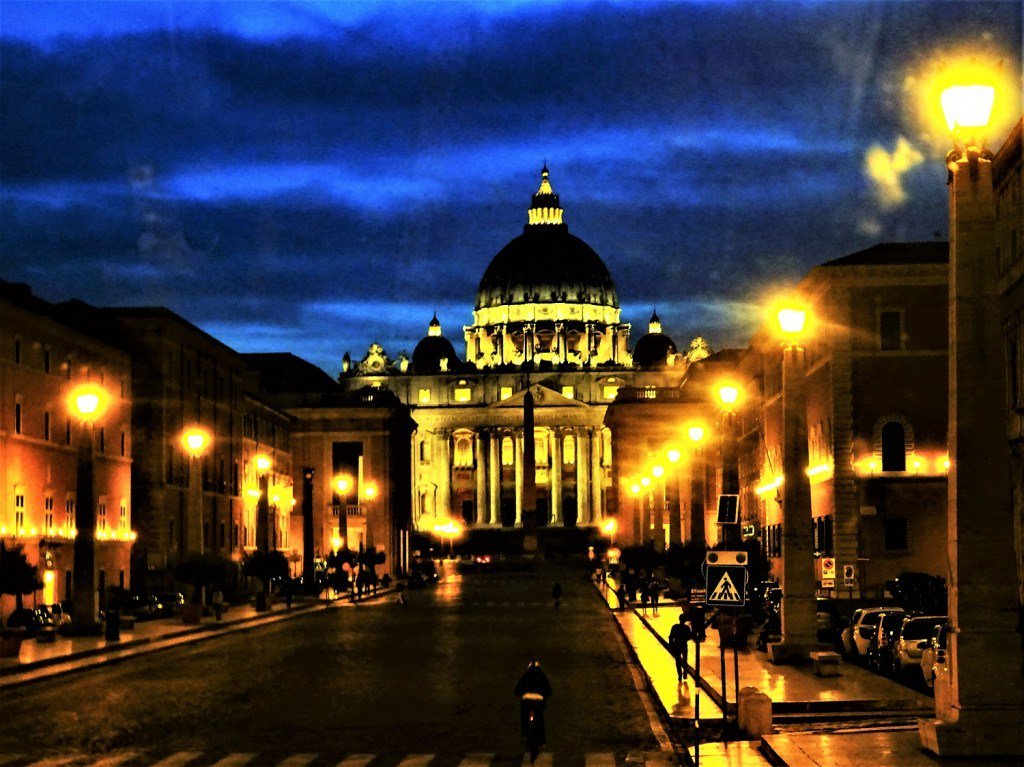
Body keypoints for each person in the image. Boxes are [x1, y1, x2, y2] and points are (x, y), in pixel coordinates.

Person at [514, 661, 553, 746]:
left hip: (526, 700)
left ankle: (524, 735)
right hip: (538, 701)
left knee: (524, 717)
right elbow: (549, 691)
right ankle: (542, 740)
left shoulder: (525, 676)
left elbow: (517, 690)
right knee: (540, 719)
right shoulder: (542, 676)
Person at [668, 614, 693, 681]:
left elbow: (671, 637)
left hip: (677, 645)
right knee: (685, 660)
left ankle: (680, 675)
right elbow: (689, 637)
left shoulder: (675, 627)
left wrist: (670, 645)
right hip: (684, 645)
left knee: (678, 661)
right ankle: (684, 673)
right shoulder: (687, 628)